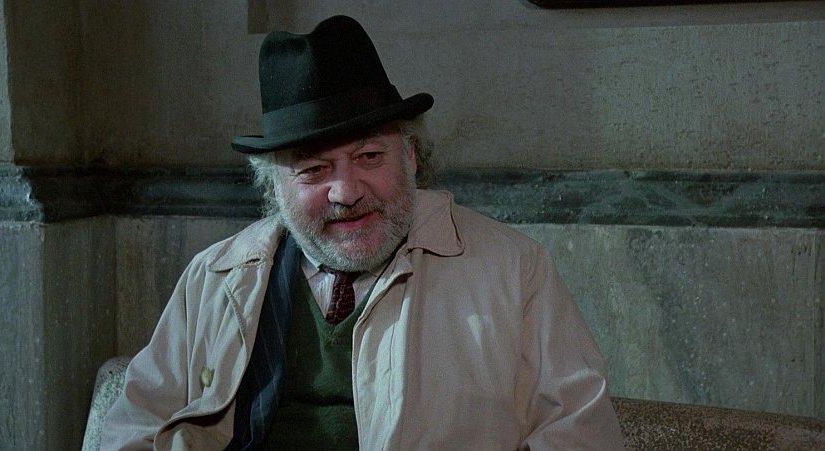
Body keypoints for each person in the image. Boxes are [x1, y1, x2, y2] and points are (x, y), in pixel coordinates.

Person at [101, 14, 624, 450]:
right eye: (313, 169)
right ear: (274, 190)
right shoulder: (213, 278)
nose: (346, 191)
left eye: (369, 156)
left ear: (411, 158)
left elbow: (582, 435)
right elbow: (133, 428)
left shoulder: (515, 272)